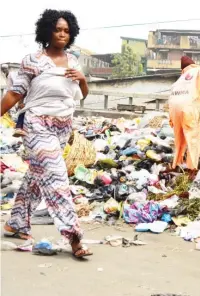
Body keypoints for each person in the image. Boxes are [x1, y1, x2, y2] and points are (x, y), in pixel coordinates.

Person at [0, 9, 91, 258]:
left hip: (62, 126)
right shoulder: (33, 60)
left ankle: (15, 223)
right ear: (47, 31)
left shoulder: (73, 61)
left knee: (35, 179)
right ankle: (74, 237)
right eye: (57, 29)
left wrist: (82, 80)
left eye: (66, 31)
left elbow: (81, 95)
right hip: (37, 124)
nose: (62, 34)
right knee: (57, 177)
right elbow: (15, 93)